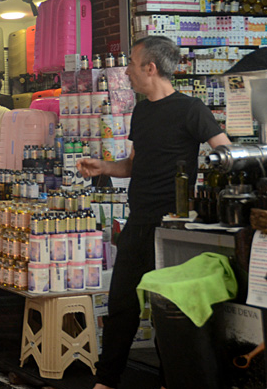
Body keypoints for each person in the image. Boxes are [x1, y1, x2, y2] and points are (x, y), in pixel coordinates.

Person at [76, 36, 230, 389]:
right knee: (122, 306)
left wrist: (209, 184)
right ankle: (106, 381)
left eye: (131, 63)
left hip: (173, 226)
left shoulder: (191, 109)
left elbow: (225, 150)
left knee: (168, 310)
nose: (126, 71)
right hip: (139, 220)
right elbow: (133, 165)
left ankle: (169, 379)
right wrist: (103, 167)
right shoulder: (142, 111)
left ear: (151, 67)